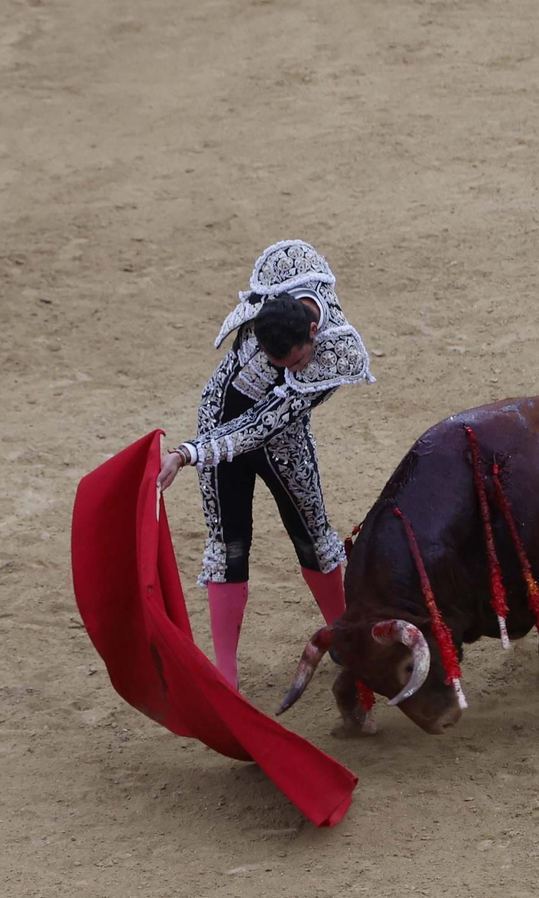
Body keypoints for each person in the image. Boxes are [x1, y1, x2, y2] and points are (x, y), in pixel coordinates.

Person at [156, 240, 375, 689]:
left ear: (313, 331)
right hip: (221, 413)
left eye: (296, 362)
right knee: (228, 545)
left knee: (314, 534)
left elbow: (265, 423)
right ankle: (226, 676)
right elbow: (242, 423)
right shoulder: (277, 297)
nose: (294, 368)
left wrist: (187, 453)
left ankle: (347, 640)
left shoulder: (333, 353)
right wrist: (191, 449)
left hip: (282, 430)